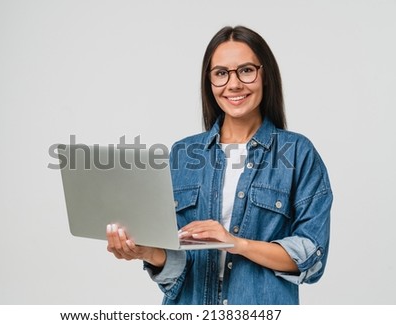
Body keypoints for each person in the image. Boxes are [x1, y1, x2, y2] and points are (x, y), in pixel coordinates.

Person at [106, 25, 333, 305]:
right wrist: (148, 253)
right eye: (221, 73)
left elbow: (311, 256)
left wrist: (236, 244)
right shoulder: (184, 153)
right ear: (209, 82)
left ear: (265, 76)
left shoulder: (298, 152)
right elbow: (177, 265)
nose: (234, 84)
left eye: (246, 70)